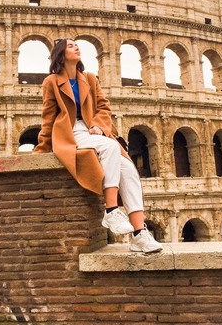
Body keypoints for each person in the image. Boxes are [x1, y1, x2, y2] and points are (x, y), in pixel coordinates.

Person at [33, 38, 162, 253]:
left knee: (129, 170)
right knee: (110, 148)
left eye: (77, 44)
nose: (76, 47)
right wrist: (42, 148)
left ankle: (139, 234)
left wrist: (100, 125)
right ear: (61, 54)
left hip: (94, 132)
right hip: (70, 133)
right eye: (71, 45)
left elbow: (103, 108)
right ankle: (111, 210)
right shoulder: (51, 82)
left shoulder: (91, 79)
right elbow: (48, 117)